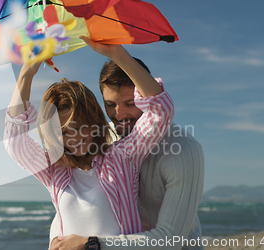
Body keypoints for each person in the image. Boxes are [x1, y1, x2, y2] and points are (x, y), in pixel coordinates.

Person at [4, 37, 174, 248]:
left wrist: (117, 55)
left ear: (93, 120)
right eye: (64, 132)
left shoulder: (121, 158)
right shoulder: (54, 170)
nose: (74, 137)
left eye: (80, 125)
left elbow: (160, 112)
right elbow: (15, 142)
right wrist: (26, 74)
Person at [49, 38, 205, 250]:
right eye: (111, 105)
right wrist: (57, 240)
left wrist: (91, 245)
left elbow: (171, 240)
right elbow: (72, 199)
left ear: (143, 97)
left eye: (130, 103)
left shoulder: (183, 149)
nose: (119, 114)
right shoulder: (105, 140)